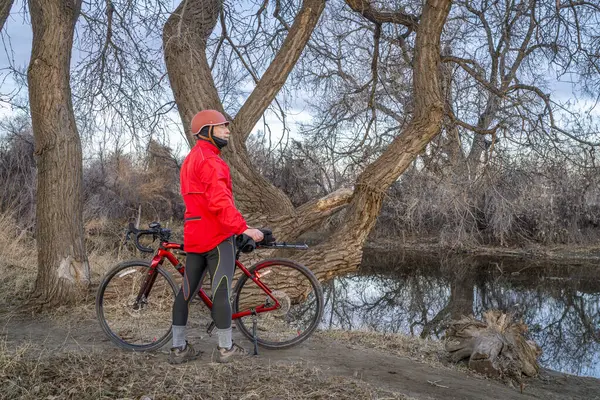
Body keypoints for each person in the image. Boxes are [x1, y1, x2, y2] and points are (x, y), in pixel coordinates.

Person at [169, 109, 264, 364]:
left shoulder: (190, 159)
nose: (227, 130)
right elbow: (219, 201)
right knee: (221, 292)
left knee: (186, 293)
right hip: (217, 236)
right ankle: (226, 349)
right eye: (222, 126)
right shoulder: (211, 160)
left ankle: (178, 349)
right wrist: (243, 228)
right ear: (207, 131)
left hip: (195, 236)